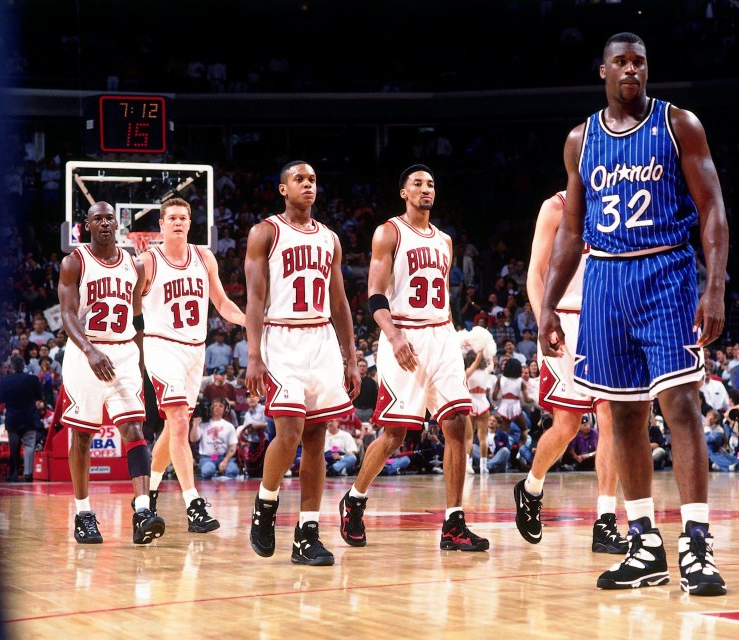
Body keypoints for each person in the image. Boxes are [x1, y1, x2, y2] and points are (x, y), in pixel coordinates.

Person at [539, 33, 728, 595]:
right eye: (620, 62)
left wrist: (713, 287)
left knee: (680, 404)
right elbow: (571, 231)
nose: (630, 69)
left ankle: (696, 543)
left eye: (639, 62)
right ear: (602, 70)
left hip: (666, 273)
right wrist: (548, 303)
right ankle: (643, 541)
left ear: (648, 69)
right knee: (620, 415)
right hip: (603, 280)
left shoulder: (679, 125)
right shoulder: (580, 140)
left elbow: (711, 207)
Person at [339, 165, 486, 552]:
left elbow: (444, 298)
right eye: (418, 184)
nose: (426, 189)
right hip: (402, 333)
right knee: (394, 434)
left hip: (441, 333)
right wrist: (393, 334)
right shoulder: (389, 232)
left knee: (457, 424)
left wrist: (453, 338)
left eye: (431, 184)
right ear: (403, 191)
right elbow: (375, 295)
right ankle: (354, 501)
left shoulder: (445, 241)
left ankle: (454, 523)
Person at [244, 161, 360, 566]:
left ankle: (306, 533)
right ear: (283, 189)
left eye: (312, 180)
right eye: (300, 180)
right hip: (281, 338)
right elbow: (255, 299)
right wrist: (254, 354)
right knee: (289, 430)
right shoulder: (266, 232)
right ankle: (265, 503)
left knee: (316, 439)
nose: (308, 185)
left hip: (322, 338)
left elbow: (340, 301)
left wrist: (351, 357)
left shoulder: (329, 237)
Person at [513, 190, 629, 555]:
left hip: (607, 321)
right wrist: (543, 321)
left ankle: (606, 521)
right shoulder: (555, 206)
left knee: (610, 416)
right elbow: (535, 274)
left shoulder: (620, 202)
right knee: (566, 426)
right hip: (564, 319)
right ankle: (531, 486)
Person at [56, 201, 165, 544]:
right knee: (84, 436)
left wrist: (142, 359)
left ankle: (143, 509)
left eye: (108, 218)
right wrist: (90, 350)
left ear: (116, 225)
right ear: (87, 225)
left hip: (124, 352)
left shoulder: (135, 265)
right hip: (85, 352)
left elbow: (136, 319)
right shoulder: (74, 262)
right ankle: (83, 513)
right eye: (97, 218)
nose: (104, 223)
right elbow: (68, 314)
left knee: (134, 428)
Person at [139, 197, 246, 533]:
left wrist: (250, 322)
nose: (178, 222)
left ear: (189, 222)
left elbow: (222, 303)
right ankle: (193, 505)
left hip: (194, 351)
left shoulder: (204, 256)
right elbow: (130, 309)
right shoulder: (148, 260)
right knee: (180, 421)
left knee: (174, 427)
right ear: (161, 224)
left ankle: (150, 492)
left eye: (183, 217)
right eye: (172, 217)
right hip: (161, 346)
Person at [0, 355, 42, 482]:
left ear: (12, 367)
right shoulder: (32, 379)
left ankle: (14, 474)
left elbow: (0, 399)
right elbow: (39, 396)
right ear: (24, 365)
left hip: (13, 418)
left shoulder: (6, 381)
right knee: (29, 446)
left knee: (14, 447)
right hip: (29, 417)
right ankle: (28, 474)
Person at [190, 398, 239, 480]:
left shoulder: (229, 426)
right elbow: (193, 439)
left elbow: (233, 447)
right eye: (215, 405)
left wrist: (225, 461)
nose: (217, 408)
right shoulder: (203, 424)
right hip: (207, 457)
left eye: (221, 406)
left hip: (223, 457)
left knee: (232, 471)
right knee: (208, 471)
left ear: (225, 409)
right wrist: (195, 424)